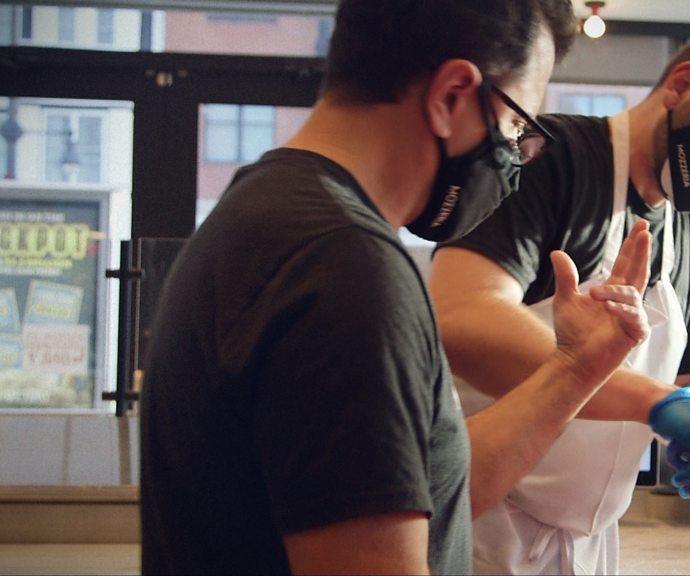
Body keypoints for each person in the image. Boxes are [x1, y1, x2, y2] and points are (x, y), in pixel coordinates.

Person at [139, 1, 663, 574]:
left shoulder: (263, 212)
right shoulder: (346, 271)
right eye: (516, 126)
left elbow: (419, 493)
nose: (516, 158)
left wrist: (575, 370)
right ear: (450, 96)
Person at [429, 19, 690, 575]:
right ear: (681, 85)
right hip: (484, 531)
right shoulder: (554, 162)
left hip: (591, 545)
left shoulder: (679, 230)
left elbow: (685, 386)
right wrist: (659, 404)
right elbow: (461, 314)